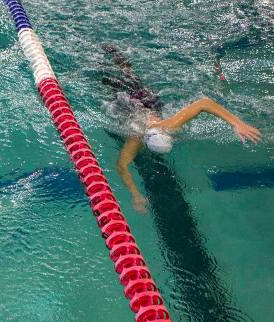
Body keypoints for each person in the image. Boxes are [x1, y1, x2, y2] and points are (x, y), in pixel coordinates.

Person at [103, 44, 262, 213]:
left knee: (128, 78)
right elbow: (121, 166)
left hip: (147, 102)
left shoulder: (163, 127)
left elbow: (122, 165)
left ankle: (113, 55)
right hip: (129, 105)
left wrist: (238, 123)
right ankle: (108, 60)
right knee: (114, 83)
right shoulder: (137, 136)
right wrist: (135, 194)